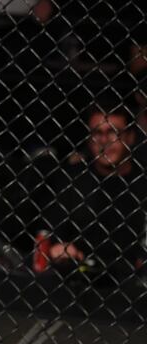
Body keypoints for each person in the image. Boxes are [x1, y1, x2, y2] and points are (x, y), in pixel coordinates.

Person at [31, 99, 145, 280]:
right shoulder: (71, 179)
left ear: (130, 137)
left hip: (133, 285)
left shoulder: (142, 184)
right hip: (77, 281)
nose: (104, 141)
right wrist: (59, 249)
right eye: (97, 133)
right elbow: (48, 232)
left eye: (113, 132)